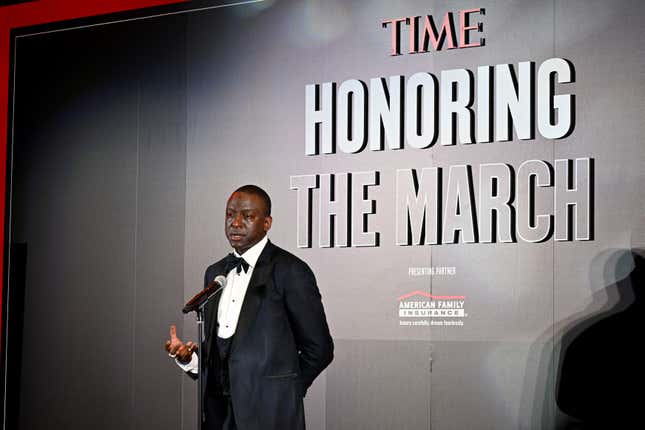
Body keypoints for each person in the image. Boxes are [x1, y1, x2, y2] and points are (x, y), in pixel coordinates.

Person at [165, 185, 333, 430]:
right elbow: (222, 352)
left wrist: (284, 392)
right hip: (216, 416)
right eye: (230, 214)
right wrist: (189, 359)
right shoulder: (215, 273)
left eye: (247, 216)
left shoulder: (291, 271)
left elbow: (320, 349)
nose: (235, 222)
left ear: (267, 223)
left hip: (270, 416)